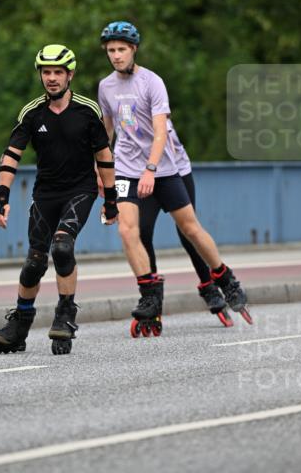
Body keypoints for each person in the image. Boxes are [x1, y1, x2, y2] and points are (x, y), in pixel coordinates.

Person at [97, 21, 250, 333]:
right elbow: (107, 130)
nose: (116, 55)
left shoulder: (152, 82)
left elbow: (159, 132)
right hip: (127, 168)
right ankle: (150, 297)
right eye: (111, 50)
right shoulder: (105, 86)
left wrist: (151, 169)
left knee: (190, 230)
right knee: (131, 232)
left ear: (133, 49)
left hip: (166, 167)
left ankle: (222, 278)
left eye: (121, 49)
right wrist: (101, 171)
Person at [0, 44, 118, 355]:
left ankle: (65, 314)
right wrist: (1, 199)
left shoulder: (87, 111)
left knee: (61, 247)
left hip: (80, 191)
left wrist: (111, 199)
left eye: (58, 72)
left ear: (70, 75)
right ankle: (19, 323)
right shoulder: (32, 113)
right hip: (45, 194)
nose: (51, 78)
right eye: (46, 72)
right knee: (34, 263)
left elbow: (104, 155)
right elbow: (10, 156)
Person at [139, 120, 234, 327]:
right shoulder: (123, 106)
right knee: (142, 232)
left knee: (187, 232)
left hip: (175, 173)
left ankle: (208, 284)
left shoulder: (156, 107)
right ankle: (152, 297)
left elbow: (166, 146)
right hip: (143, 175)